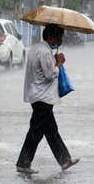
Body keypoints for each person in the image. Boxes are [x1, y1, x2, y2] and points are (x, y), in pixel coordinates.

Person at [16, 24, 79, 174]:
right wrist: (59, 63)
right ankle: (23, 164)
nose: (61, 40)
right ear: (52, 37)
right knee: (37, 131)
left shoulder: (36, 48)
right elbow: (50, 74)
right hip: (42, 97)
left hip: (37, 95)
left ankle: (64, 160)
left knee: (48, 130)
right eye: (60, 37)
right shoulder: (44, 52)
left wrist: (54, 60)